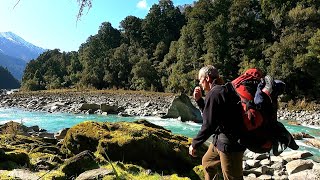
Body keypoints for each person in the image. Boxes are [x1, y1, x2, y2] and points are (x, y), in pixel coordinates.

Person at [189, 65, 246, 180]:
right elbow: (211, 116)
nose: (200, 83)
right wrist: (200, 101)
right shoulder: (222, 89)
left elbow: (209, 124)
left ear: (207, 78)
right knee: (207, 162)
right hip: (219, 140)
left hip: (230, 144)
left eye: (200, 79)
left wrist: (195, 144)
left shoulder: (214, 93)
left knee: (233, 178)